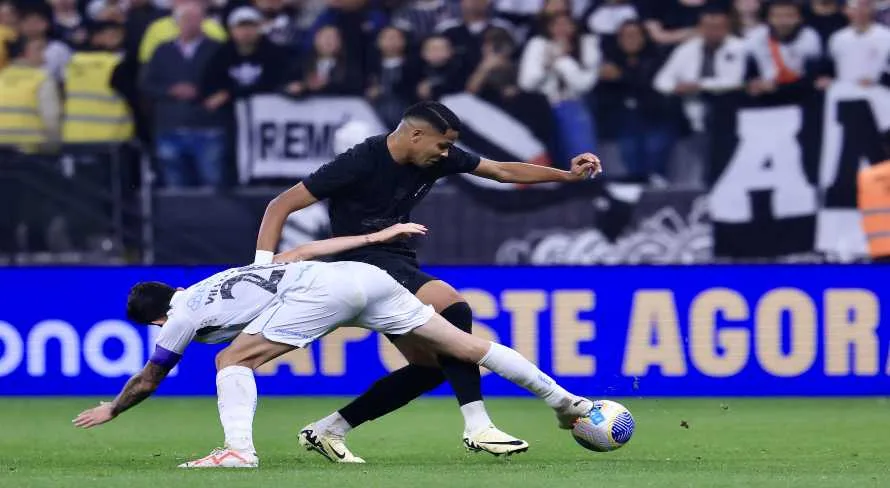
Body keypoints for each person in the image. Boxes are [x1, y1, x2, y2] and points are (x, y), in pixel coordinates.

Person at [72, 222, 595, 468]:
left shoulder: (180, 316)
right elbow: (303, 251)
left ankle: (238, 452)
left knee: (230, 358)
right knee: (465, 348)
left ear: (156, 318)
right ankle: (566, 403)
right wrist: (375, 237)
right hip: (361, 275)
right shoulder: (223, 279)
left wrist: (113, 408)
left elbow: (150, 378)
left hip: (323, 294)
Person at [253, 101, 602, 461]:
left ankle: (330, 429)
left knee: (431, 369)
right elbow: (280, 205)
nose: (447, 153)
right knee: (454, 307)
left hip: (396, 259)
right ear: (416, 135)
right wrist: (261, 269)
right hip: (361, 261)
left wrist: (567, 175)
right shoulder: (359, 161)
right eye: (443, 145)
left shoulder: (435, 157)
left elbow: (500, 170)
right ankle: (479, 426)